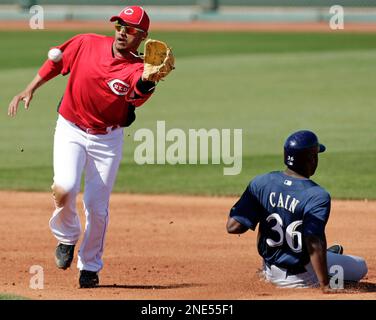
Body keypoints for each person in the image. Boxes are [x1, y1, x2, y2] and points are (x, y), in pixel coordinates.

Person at [8, 6, 174, 288]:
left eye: (130, 28)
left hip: (107, 140)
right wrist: (31, 87)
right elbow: (56, 62)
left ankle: (90, 267)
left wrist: (147, 80)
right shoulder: (86, 43)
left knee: (97, 208)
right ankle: (67, 236)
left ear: (142, 36)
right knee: (65, 186)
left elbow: (135, 97)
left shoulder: (137, 68)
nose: (122, 32)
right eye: (119, 25)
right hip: (70, 128)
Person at [226, 130, 367, 291]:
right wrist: (325, 285)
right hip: (300, 279)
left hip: (269, 271)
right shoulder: (317, 195)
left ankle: (326, 257)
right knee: (361, 266)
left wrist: (259, 205)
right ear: (312, 159)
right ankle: (326, 267)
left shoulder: (261, 183)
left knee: (317, 251)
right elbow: (313, 240)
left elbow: (233, 227)